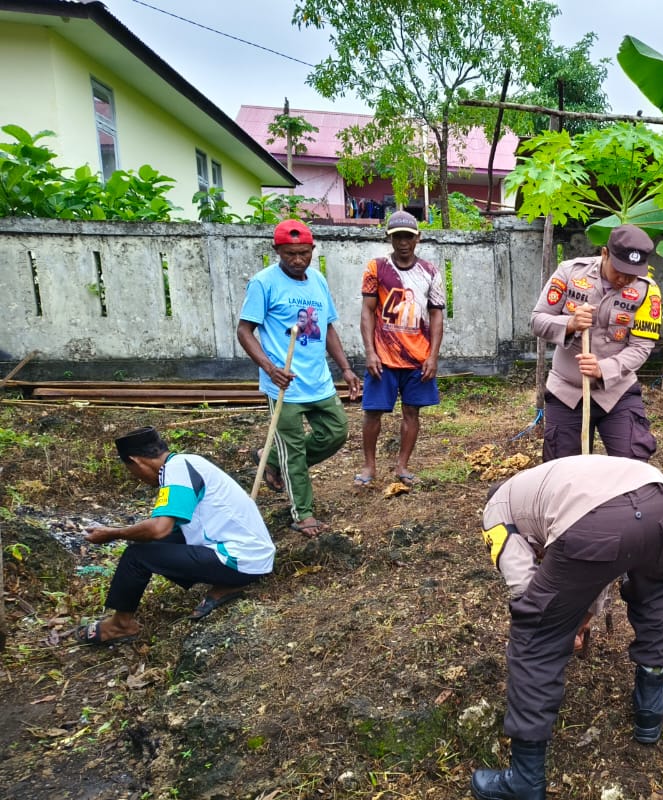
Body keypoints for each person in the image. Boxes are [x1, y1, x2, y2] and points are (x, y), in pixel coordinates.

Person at [470, 455, 663, 800]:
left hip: (596, 523)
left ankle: (524, 785)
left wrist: (554, 629)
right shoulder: (549, 487)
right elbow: (602, 563)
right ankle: (650, 706)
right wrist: (580, 617)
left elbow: (525, 587)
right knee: (653, 593)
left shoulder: (496, 511)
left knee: (533, 637)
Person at [76, 428, 275, 644]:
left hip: (242, 560)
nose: (138, 478)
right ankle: (228, 583)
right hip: (252, 557)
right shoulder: (185, 463)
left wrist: (113, 534)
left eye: (132, 471)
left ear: (136, 461)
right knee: (150, 541)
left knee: (136, 555)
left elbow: (159, 528)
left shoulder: (177, 470)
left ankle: (120, 626)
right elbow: (166, 527)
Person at [237, 219, 362, 537]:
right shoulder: (263, 283)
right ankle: (303, 513)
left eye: (303, 253)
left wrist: (345, 369)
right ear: (277, 250)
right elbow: (244, 331)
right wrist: (269, 367)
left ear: (312, 251)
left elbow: (328, 327)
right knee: (294, 451)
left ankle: (272, 458)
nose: (297, 260)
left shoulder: (318, 281)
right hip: (284, 385)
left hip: (318, 381)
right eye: (290, 253)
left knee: (336, 432)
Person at [531, 224, 663, 462]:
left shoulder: (648, 291)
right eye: (619, 271)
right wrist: (570, 323)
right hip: (567, 392)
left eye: (632, 274)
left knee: (632, 465)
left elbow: (641, 347)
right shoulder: (569, 273)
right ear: (605, 254)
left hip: (617, 392)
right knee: (565, 472)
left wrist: (603, 369)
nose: (624, 280)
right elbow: (537, 321)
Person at [356, 210, 446, 487]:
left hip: (418, 358)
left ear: (417, 238)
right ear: (389, 238)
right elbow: (368, 312)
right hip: (383, 358)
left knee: (412, 412)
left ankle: (402, 466)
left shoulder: (430, 272)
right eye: (397, 237)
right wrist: (370, 352)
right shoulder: (377, 268)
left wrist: (432, 356)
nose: (403, 242)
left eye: (408, 236)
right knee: (373, 412)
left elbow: (437, 316)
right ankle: (370, 467)